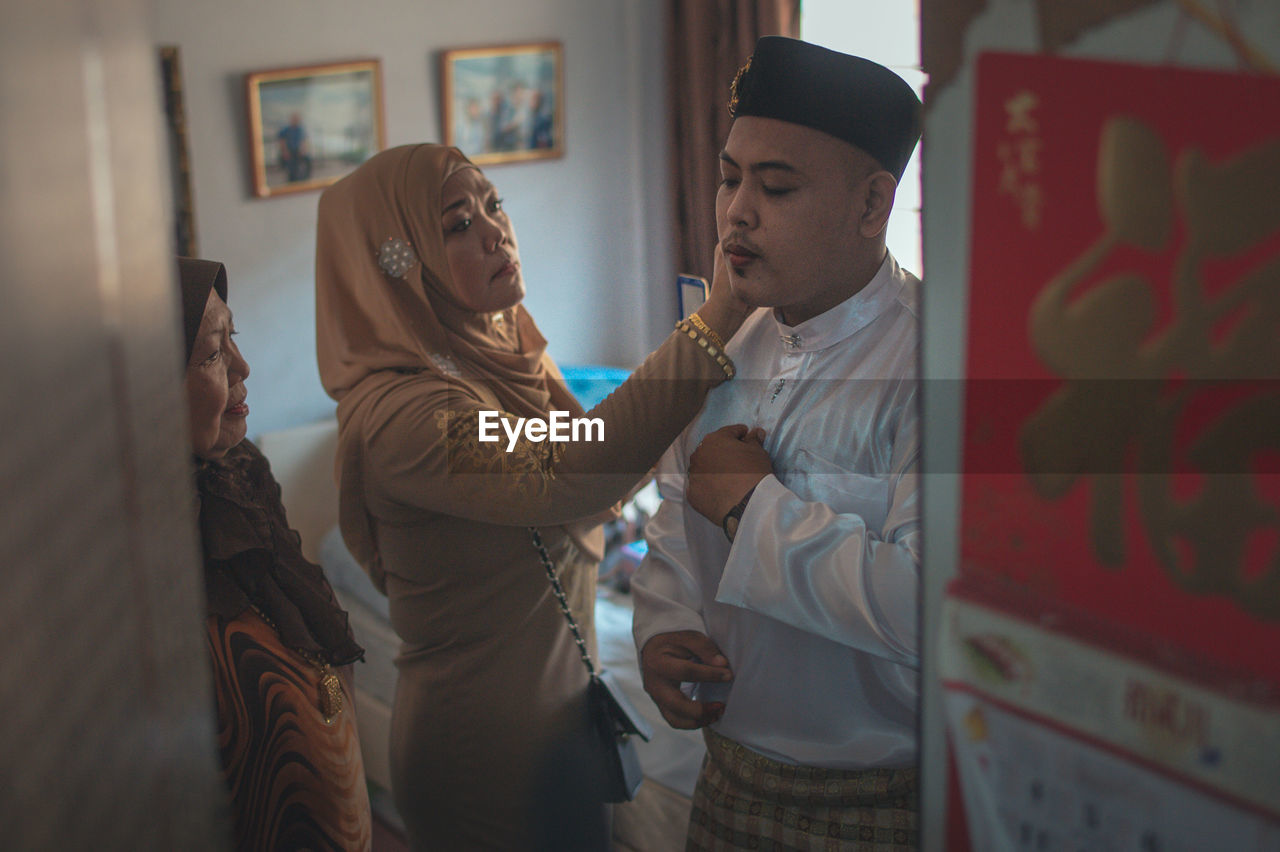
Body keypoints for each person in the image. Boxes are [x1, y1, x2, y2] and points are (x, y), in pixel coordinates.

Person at [313, 143, 751, 850]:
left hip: (571, 728)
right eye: (456, 224)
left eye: (494, 205)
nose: (495, 232)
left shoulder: (506, 352)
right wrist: (716, 318)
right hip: (482, 757)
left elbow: (604, 464)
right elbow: (575, 469)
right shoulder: (404, 418)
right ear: (399, 260)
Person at [630, 37, 923, 851]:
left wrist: (754, 509)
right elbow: (673, 526)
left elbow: (935, 607)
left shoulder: (934, 364)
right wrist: (657, 630)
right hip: (729, 782)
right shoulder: (724, 346)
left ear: (872, 205)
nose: (735, 213)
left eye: (777, 186)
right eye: (730, 177)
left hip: (886, 799)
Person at [178, 256, 371, 852]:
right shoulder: (409, 415)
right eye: (213, 352)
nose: (242, 365)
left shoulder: (238, 476)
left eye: (232, 339)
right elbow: (577, 467)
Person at [278, 112, 312, 182]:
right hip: (290, 151)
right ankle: (292, 180)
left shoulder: (300, 130)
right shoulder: (286, 130)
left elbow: (304, 140)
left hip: (298, 150)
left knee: (307, 160)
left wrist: (303, 150)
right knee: (292, 166)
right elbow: (282, 141)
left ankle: (306, 178)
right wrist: (285, 151)